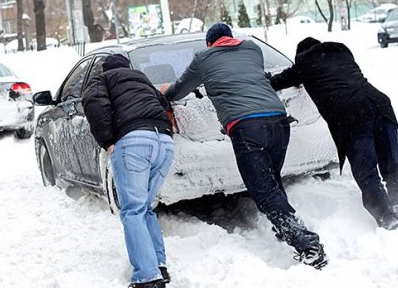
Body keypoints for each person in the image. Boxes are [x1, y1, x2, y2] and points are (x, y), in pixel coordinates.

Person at [160, 23, 328, 269]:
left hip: (247, 127)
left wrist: (165, 92)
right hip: (279, 122)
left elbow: (178, 90)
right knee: (271, 180)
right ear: (231, 37)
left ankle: (305, 242)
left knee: (263, 191)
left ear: (210, 43)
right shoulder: (252, 49)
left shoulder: (203, 58)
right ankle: (286, 227)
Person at [270, 37, 398, 230]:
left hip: (352, 115)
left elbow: (277, 82)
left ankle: (387, 219)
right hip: (380, 104)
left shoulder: (305, 63)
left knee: (367, 172)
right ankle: (395, 203)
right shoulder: (341, 51)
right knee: (392, 164)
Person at [82, 54, 174, 288]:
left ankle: (147, 276)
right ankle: (159, 266)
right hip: (163, 142)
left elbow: (94, 103)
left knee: (132, 210)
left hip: (134, 142)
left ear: (105, 69)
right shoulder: (142, 80)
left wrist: (107, 139)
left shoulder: (101, 80)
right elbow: (164, 105)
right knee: (145, 207)